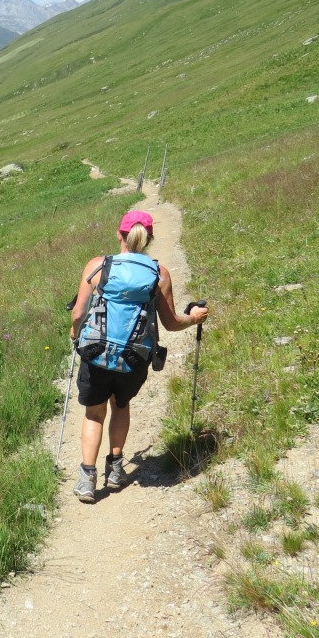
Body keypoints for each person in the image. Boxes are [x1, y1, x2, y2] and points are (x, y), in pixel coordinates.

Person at [68, 209, 209, 503]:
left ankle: (87, 479)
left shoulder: (97, 266)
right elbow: (171, 323)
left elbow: (79, 313)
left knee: (94, 413)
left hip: (96, 353)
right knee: (121, 405)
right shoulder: (159, 274)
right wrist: (194, 318)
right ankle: (115, 469)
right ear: (149, 239)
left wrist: (74, 333)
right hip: (134, 356)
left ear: (119, 234)